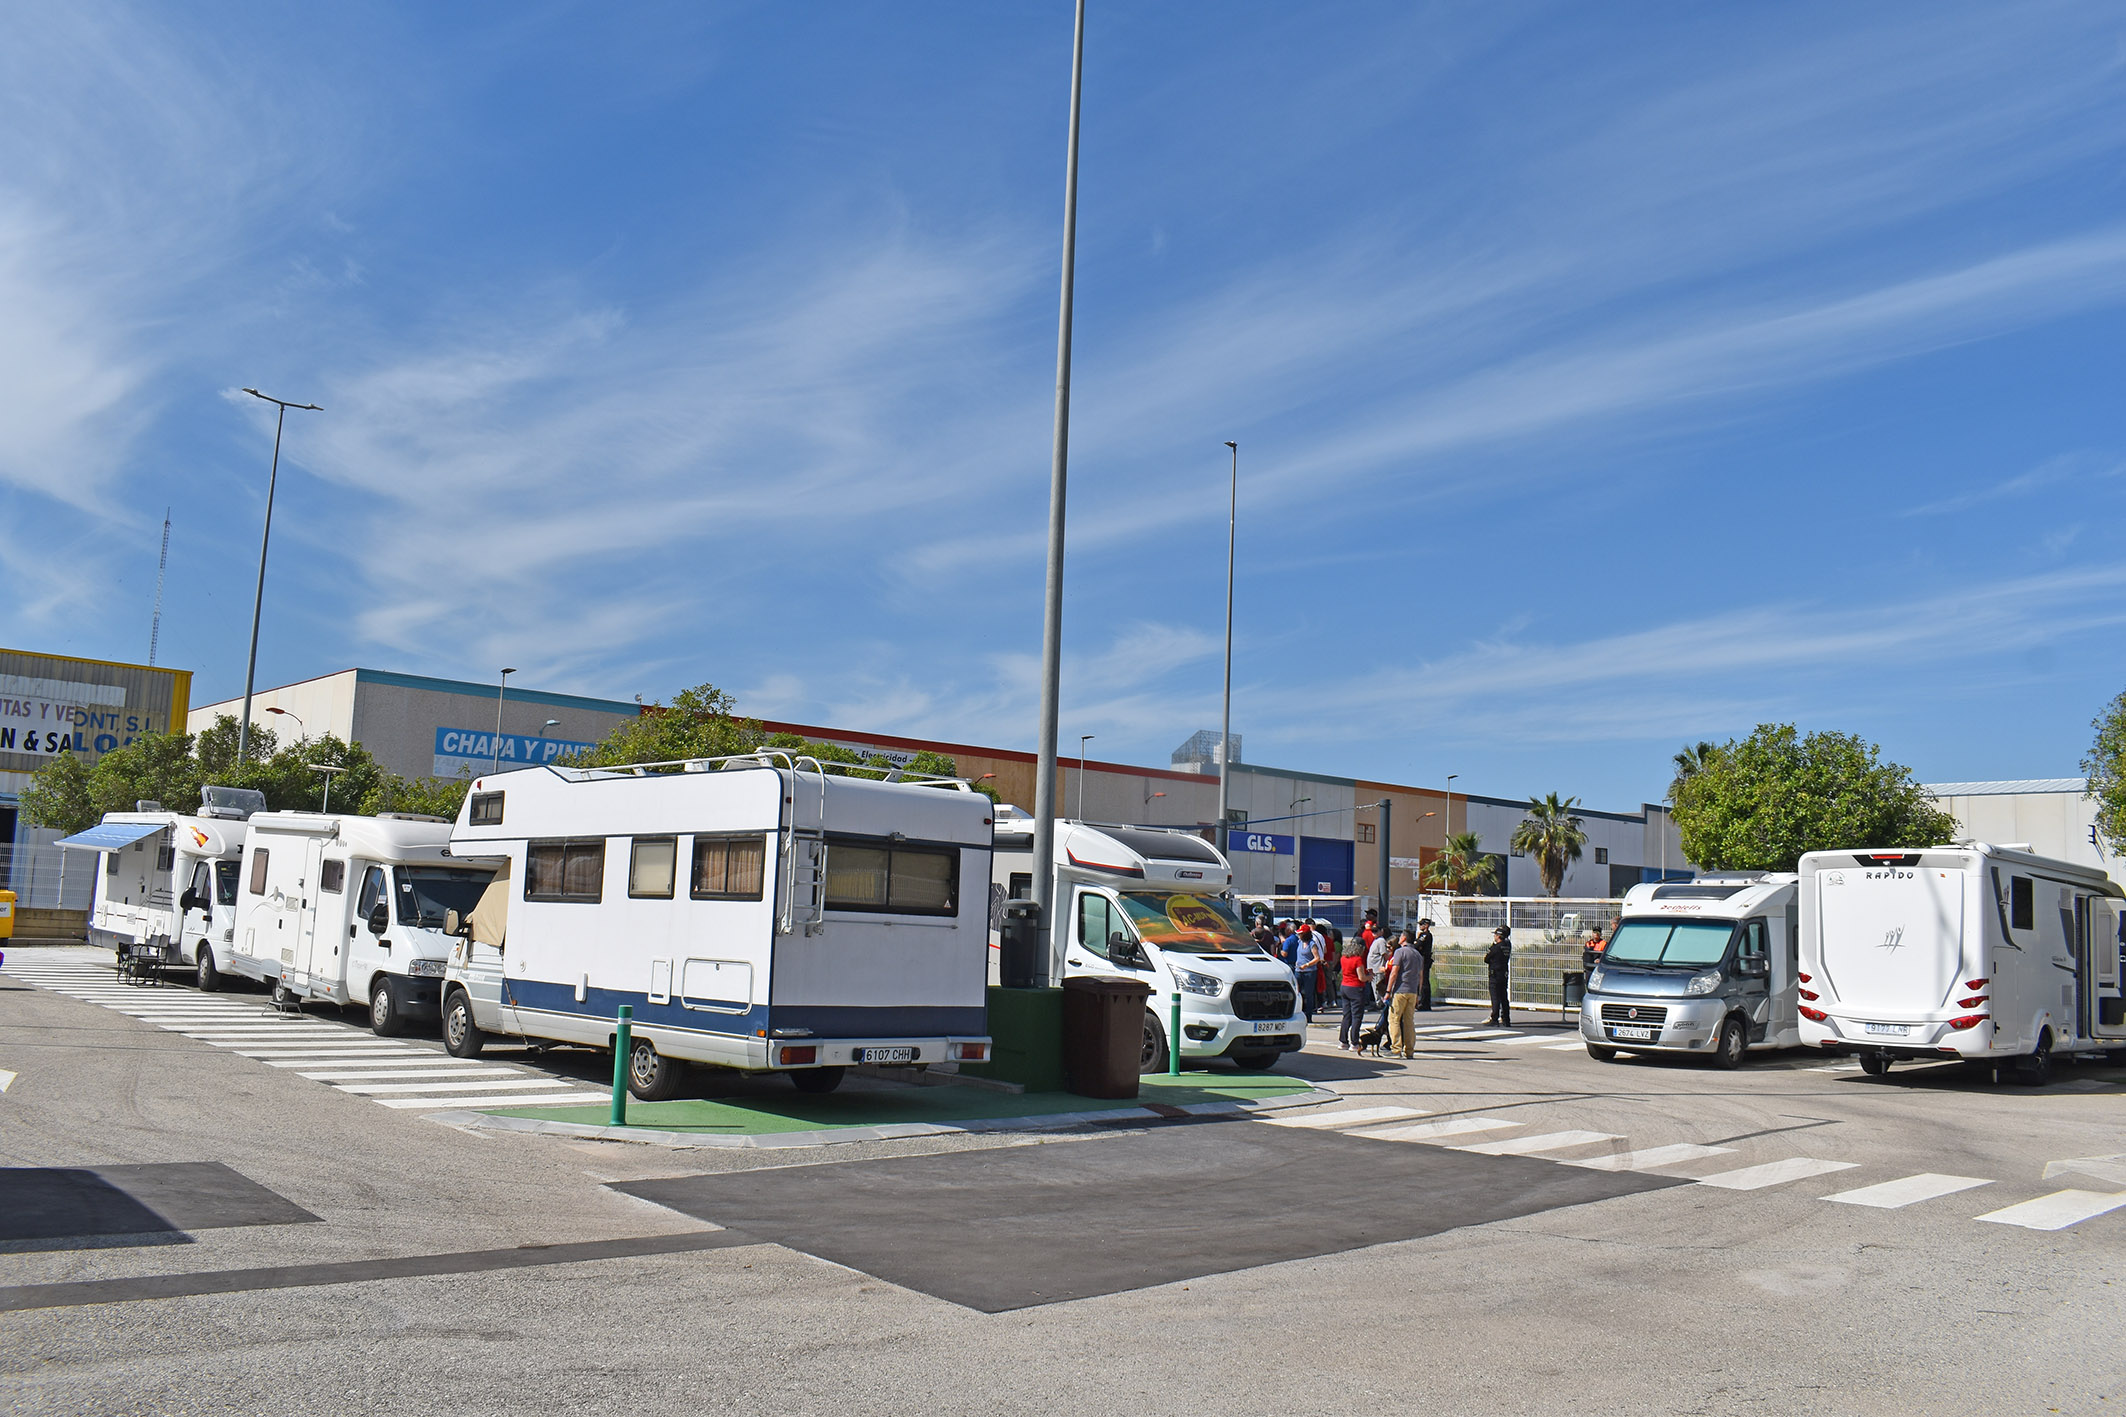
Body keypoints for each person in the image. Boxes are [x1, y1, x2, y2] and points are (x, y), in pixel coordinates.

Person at [1386, 929, 1426, 1058]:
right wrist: (1418, 993)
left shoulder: (1400, 952)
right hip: (1413, 991)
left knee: (1394, 1019)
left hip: (1400, 990)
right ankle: (1409, 1050)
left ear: (1404, 938)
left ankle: (1396, 1049)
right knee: (1409, 1021)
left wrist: (1388, 991)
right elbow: (1421, 976)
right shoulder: (1418, 955)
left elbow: (1394, 972)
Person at [1337, 925, 1372, 1050]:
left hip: (1344, 986)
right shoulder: (1358, 960)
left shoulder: (1343, 958)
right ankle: (1354, 1042)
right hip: (1356, 988)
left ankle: (1343, 1041)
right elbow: (1361, 977)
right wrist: (1369, 977)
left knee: (1346, 1015)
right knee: (1357, 1016)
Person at [1283, 920, 1323, 1021]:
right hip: (1298, 970)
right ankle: (1296, 1013)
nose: (1299, 935)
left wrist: (1307, 965)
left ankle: (1308, 1016)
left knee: (1309, 994)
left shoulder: (1312, 944)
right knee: (1297, 992)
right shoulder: (1299, 942)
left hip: (1309, 971)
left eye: (1301, 933)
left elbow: (1317, 958)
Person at [1485, 925, 1514, 1026]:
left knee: (1495, 997)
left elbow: (1486, 959)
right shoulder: (1507, 945)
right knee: (1503, 997)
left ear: (1499, 936)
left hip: (1495, 974)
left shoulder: (1496, 947)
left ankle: (1494, 1018)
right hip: (1504, 974)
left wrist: (1493, 945)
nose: (1494, 936)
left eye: (1495, 935)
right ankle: (1506, 1018)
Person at [1413, 918, 1437, 1011]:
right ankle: (1421, 1002)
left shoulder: (1426, 935)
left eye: (1422, 924)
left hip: (1424, 959)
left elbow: (1417, 945)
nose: (1420, 926)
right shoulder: (1422, 934)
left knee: (1424, 982)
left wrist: (1417, 943)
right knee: (1421, 981)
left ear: (1426, 925)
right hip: (1422, 959)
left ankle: (1424, 1003)